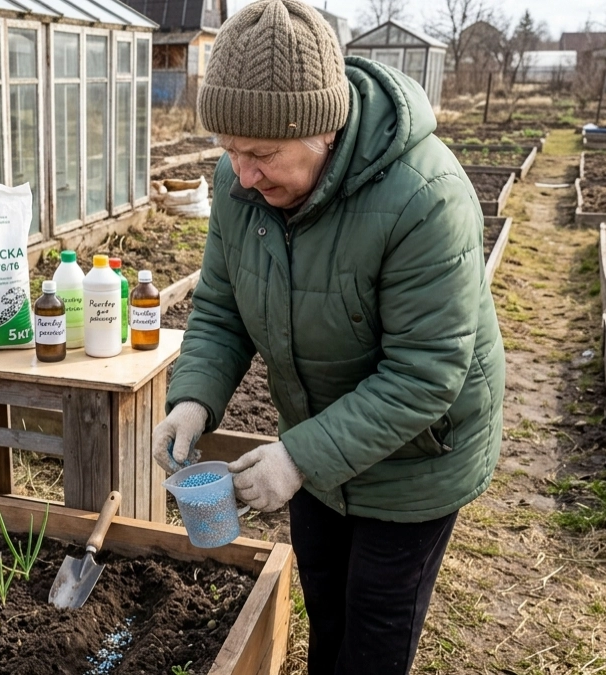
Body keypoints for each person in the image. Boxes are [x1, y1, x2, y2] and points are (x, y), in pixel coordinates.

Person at [151, 1, 506, 673]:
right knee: (327, 603)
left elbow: (426, 372)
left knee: (374, 623)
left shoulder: (425, 197)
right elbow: (223, 304)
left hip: (416, 456)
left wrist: (297, 458)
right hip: (315, 432)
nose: (243, 174)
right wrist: (193, 398)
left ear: (325, 128)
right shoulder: (237, 182)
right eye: (229, 150)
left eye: (262, 153)